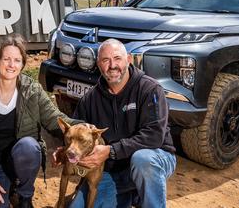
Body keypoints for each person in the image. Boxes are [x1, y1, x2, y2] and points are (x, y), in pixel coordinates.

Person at [0, 34, 78, 208]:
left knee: (29, 147)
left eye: (17, 60)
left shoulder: (32, 92)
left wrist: (83, 128)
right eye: (6, 59)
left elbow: (55, 120)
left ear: (22, 64)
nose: (11, 65)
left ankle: (24, 197)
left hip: (19, 164)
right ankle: (3, 190)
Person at [55, 38, 177, 208]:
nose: (112, 65)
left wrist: (111, 151)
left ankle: (144, 197)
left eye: (117, 58)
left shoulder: (149, 89)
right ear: (98, 65)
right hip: (113, 170)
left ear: (128, 59)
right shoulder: (90, 98)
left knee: (143, 161)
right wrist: (66, 149)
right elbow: (77, 131)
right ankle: (131, 195)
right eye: (105, 60)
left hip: (154, 157)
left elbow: (154, 137)